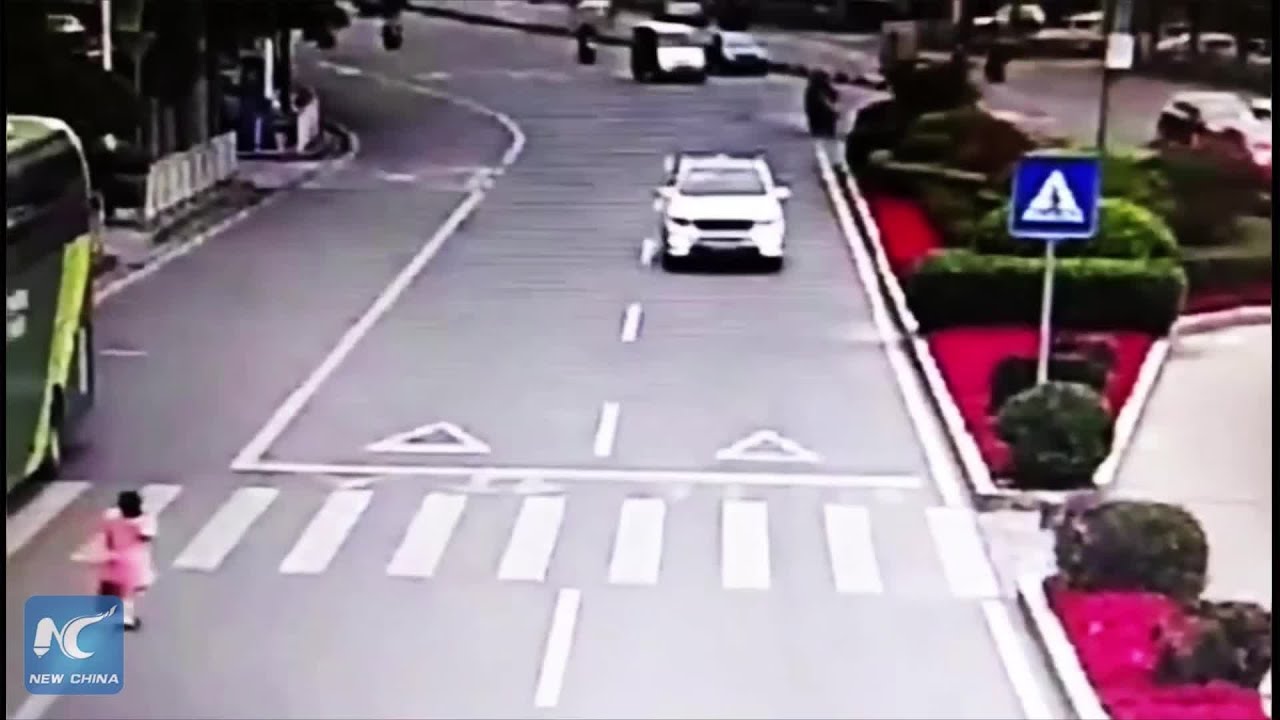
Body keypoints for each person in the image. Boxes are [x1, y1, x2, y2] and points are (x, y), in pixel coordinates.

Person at [94, 490, 156, 631]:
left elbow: (107, 532)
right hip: (133, 560)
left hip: (115, 556)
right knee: (128, 590)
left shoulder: (111, 516)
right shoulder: (145, 520)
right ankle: (125, 619)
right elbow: (146, 537)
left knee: (111, 585)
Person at [804, 70, 844, 168]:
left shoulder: (814, 89)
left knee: (822, 132)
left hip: (818, 118)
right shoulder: (815, 90)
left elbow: (833, 97)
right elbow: (826, 101)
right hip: (820, 115)